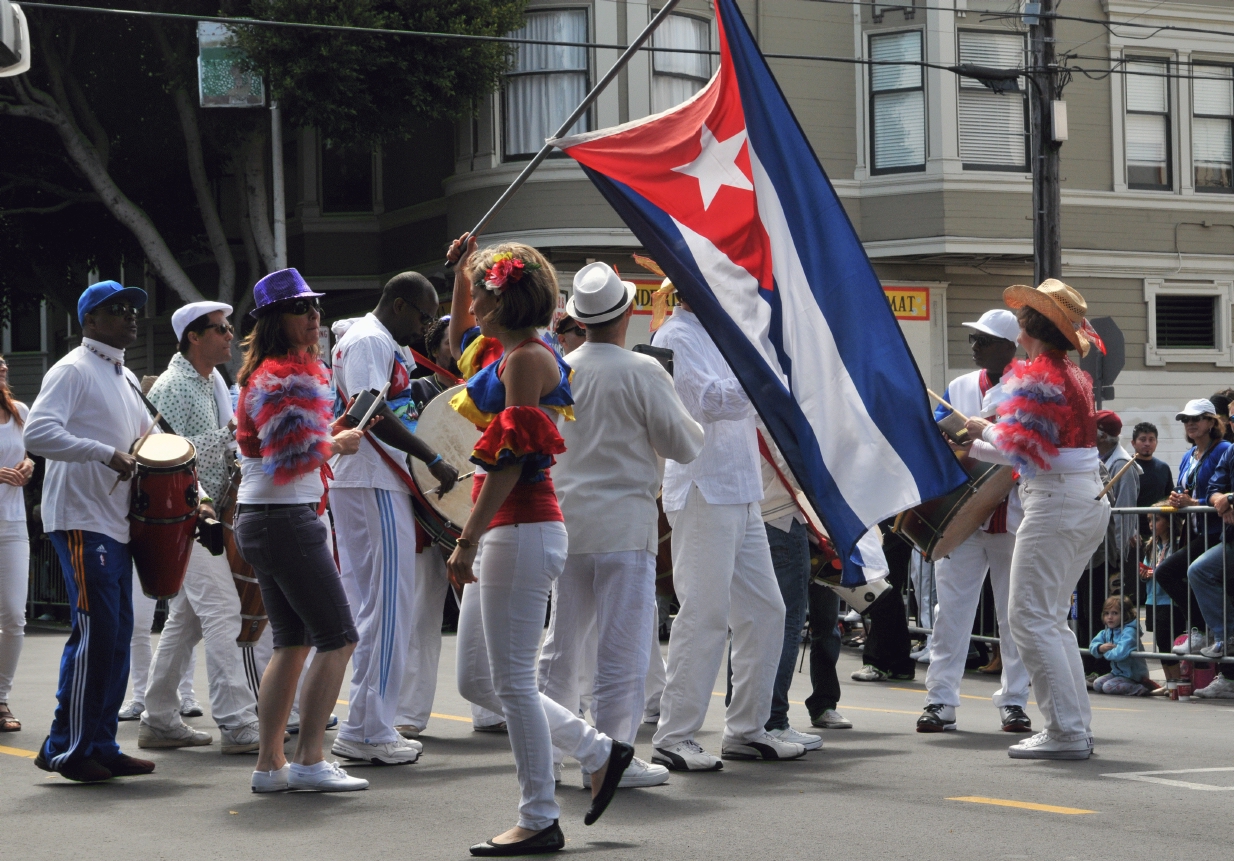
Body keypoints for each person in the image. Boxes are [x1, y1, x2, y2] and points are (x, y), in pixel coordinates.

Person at [445, 235, 634, 856]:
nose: (475, 305)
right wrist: (461, 275)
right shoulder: (513, 352)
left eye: (483, 293)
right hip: (516, 531)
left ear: (504, 301)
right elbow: (457, 349)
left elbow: (512, 458)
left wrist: (466, 540)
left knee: (514, 685)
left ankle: (540, 815)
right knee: (501, 682)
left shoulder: (527, 358)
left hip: (520, 528)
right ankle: (597, 752)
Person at [538, 262, 704, 789]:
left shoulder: (558, 368)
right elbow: (684, 445)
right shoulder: (642, 370)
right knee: (621, 651)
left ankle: (548, 755)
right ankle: (608, 762)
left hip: (567, 521)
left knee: (561, 647)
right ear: (628, 312)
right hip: (624, 528)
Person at [649, 291, 803, 771]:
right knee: (705, 613)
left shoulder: (728, 337)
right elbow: (708, 401)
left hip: (740, 488)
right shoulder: (674, 334)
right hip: (702, 487)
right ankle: (675, 735)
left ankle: (746, 729)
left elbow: (756, 409)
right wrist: (766, 380)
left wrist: (769, 381)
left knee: (765, 611)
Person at [233, 268, 370, 793]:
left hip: (264, 519)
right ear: (274, 321)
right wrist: (338, 443)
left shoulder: (267, 375)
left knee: (291, 643)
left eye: (315, 306)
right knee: (338, 638)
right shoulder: (284, 375)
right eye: (301, 309)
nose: (314, 317)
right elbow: (292, 458)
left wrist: (328, 435)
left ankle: (271, 765)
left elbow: (282, 445)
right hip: (285, 518)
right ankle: (310, 759)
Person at [965, 279, 1110, 761]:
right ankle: (1072, 727)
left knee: (1030, 616)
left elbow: (1020, 448)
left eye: (1024, 313)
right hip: (1078, 496)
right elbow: (1032, 449)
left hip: (1057, 501)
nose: (1019, 318)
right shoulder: (1073, 373)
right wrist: (979, 439)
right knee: (1047, 619)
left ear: (1029, 325)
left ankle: (1067, 732)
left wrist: (979, 430)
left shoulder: (1042, 372)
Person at [23, 281, 160, 782]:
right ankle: (69, 747)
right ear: (90, 321)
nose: (130, 316)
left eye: (132, 309)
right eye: (116, 309)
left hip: (114, 521)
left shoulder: (121, 376)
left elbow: (154, 439)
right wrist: (104, 453)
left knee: (117, 634)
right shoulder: (74, 367)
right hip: (81, 518)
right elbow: (37, 432)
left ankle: (99, 741)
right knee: (97, 632)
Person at [328, 272, 458, 766]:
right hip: (371, 479)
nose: (427, 328)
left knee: (376, 607)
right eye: (424, 317)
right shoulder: (369, 340)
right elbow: (372, 411)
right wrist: (433, 457)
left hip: (370, 480)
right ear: (400, 306)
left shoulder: (376, 340)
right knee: (387, 608)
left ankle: (368, 723)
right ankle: (368, 730)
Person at [137, 301, 263, 755]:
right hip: (186, 515)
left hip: (205, 513)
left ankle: (158, 718)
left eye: (229, 328)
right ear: (194, 336)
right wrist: (233, 435)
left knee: (186, 621)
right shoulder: (173, 386)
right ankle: (236, 722)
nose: (230, 335)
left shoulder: (212, 382)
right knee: (224, 612)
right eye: (221, 329)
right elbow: (164, 453)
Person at [917, 309, 1032, 734]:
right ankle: (940, 699)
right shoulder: (960, 386)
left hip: (1014, 514)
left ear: (1008, 346)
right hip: (963, 514)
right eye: (974, 338)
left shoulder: (1029, 388)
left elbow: (1027, 449)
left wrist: (978, 438)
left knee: (1012, 614)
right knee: (951, 611)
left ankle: (1014, 701)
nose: (975, 346)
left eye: (983, 339)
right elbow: (936, 437)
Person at [747, 423, 830, 747]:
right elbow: (792, 466)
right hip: (780, 517)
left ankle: (747, 719)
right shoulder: (765, 397)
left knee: (750, 623)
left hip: (753, 514)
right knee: (782, 621)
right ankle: (772, 720)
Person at [1155, 400, 1228, 655]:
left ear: (1211, 421)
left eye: (1195, 419)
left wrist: (1193, 501)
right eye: (1186, 420)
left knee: (1168, 572)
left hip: (1218, 532)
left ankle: (1204, 630)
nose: (1190, 424)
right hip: (1196, 531)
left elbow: (1217, 492)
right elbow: (1182, 488)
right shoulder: (1189, 455)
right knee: (1173, 573)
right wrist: (1176, 497)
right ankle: (1203, 630)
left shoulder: (1224, 449)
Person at [1078, 410, 1140, 676]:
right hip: (1089, 550)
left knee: (1100, 612)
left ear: (1102, 435)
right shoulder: (1098, 459)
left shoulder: (1121, 465)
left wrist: (1119, 559)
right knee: (1085, 609)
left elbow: (1123, 516)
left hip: (1106, 555)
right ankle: (1087, 661)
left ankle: (1101, 666)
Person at [0, 353, 33, 734]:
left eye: (5, 362)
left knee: (12, 616)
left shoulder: (20, 411)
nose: (4, 367)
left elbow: (26, 456)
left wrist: (29, 466)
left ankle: (1, 696)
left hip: (12, 523)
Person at [1140, 508, 1182, 690]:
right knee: (1161, 642)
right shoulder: (1151, 545)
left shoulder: (1177, 545)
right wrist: (1144, 574)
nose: (1151, 524)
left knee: (1171, 642)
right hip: (1152, 599)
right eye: (1149, 520)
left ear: (1169, 522)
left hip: (1169, 600)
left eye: (1156, 519)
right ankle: (1170, 682)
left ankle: (1179, 682)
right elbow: (1148, 568)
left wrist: (1156, 573)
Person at [1089, 596, 1152, 696]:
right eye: (1107, 613)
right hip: (1117, 673)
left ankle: (1142, 688)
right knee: (1097, 684)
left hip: (1133, 675)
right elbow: (1093, 646)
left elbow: (1119, 653)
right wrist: (1100, 648)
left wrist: (1105, 652)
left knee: (1107, 687)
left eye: (1115, 613)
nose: (1110, 617)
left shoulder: (1130, 632)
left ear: (1125, 615)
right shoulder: (1107, 632)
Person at [1132, 422, 1172, 538]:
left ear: (1156, 442)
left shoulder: (1163, 468)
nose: (1147, 443)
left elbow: (1168, 497)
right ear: (1133, 443)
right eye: (1143, 439)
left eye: (1151, 439)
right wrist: (1129, 530)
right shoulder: (1126, 467)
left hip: (1159, 534)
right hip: (1134, 536)